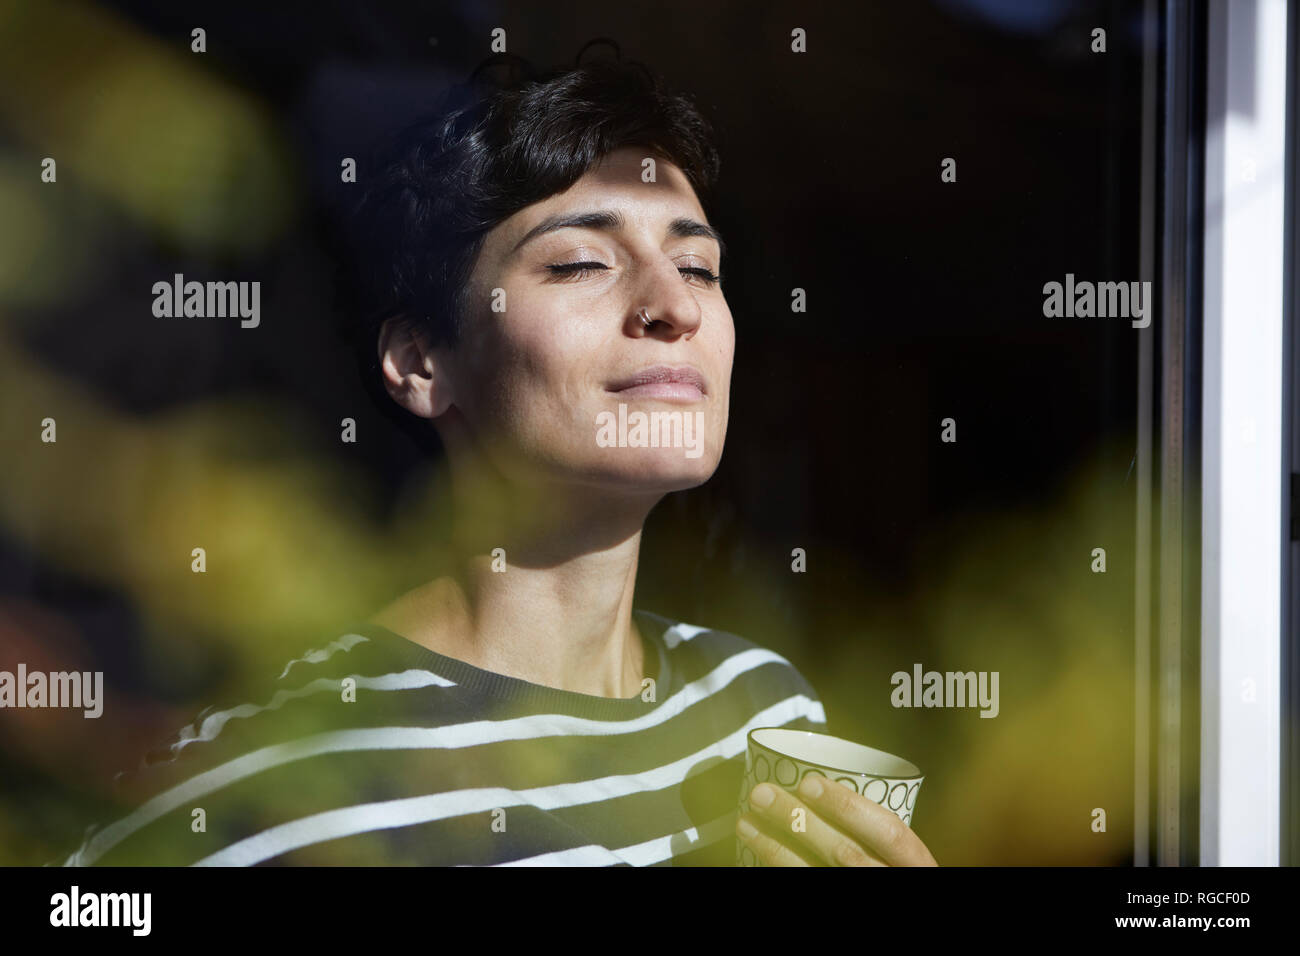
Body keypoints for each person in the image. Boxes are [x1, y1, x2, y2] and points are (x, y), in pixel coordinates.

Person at [61, 48, 936, 867]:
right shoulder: (274, 790)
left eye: (700, 267)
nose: (674, 304)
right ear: (421, 363)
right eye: (583, 262)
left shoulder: (766, 711)